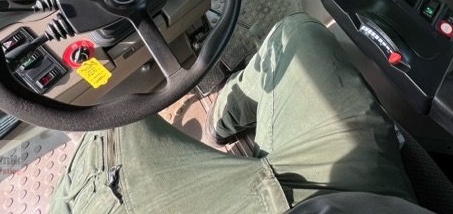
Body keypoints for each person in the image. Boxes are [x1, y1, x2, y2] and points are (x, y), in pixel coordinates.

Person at [51, 14, 432, 213]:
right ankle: (223, 121)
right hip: (364, 204)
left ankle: (223, 124)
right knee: (296, 33)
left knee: (114, 126)